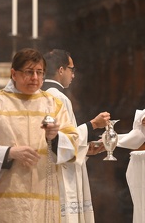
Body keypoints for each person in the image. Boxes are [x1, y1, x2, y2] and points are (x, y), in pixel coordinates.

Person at [0, 48, 79, 222]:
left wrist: (54, 138)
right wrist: (9, 153)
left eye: (39, 72)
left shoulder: (54, 105)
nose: (35, 77)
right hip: (5, 198)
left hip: (44, 195)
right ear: (14, 74)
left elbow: (72, 145)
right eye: (29, 72)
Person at [42, 49, 110, 223]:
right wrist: (93, 124)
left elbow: (59, 140)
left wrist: (86, 149)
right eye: (72, 69)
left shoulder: (42, 95)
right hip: (60, 173)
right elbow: (62, 141)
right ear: (61, 70)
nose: (73, 75)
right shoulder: (58, 98)